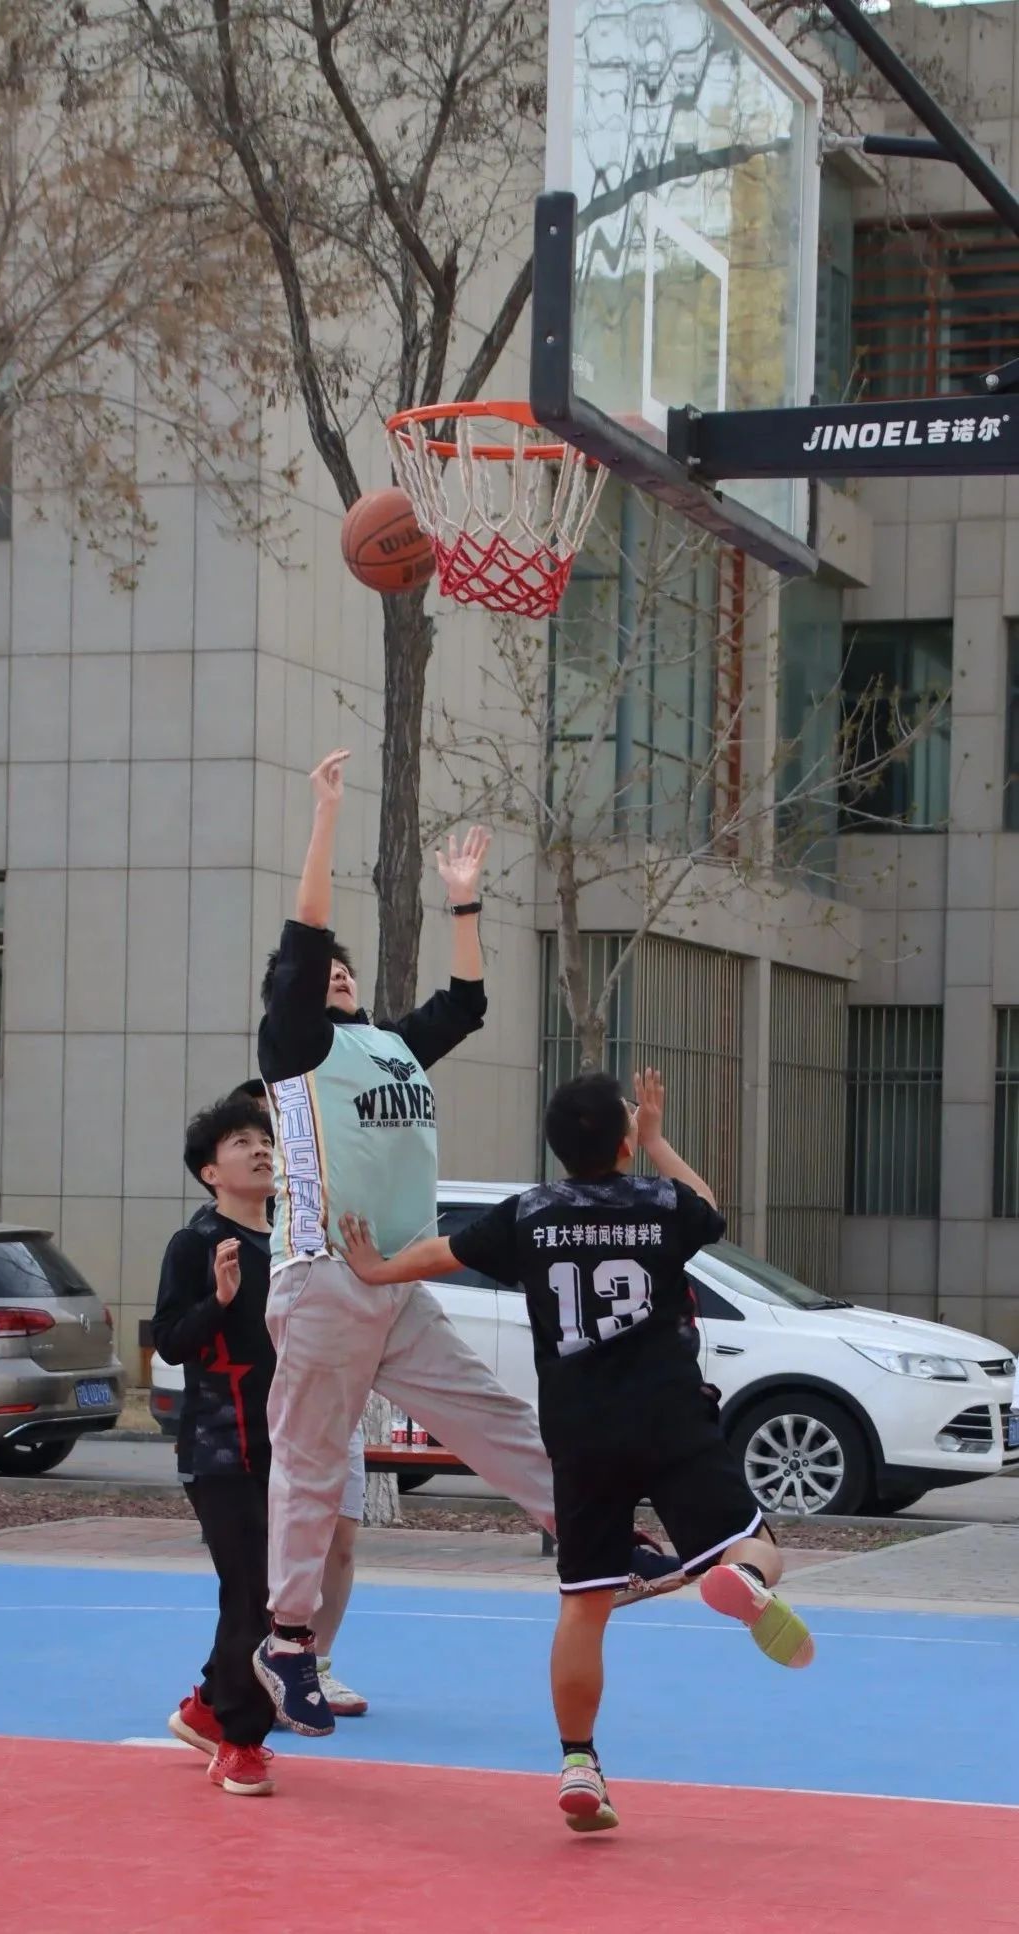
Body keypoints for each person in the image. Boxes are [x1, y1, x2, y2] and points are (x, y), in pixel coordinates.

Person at [340, 1068, 815, 1833]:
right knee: (753, 1543)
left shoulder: (529, 1214)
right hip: (668, 1412)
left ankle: (578, 1762)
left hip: (582, 1432)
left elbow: (441, 1255)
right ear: (625, 1142)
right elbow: (709, 1207)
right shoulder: (661, 1205)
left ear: (556, 1147)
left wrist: (376, 1269)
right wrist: (659, 1141)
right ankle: (743, 1578)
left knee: (585, 1604)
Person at [251, 746, 566, 1736]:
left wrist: (464, 901)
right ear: (299, 991)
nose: (339, 972)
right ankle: (287, 1641)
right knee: (311, 1467)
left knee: (490, 1411)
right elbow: (308, 929)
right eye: (326, 969)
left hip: (394, 1283)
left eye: (348, 968)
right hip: (322, 1279)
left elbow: (466, 1003)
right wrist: (326, 817)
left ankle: (587, 1530)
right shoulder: (297, 1047)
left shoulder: (390, 1044)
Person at [225, 1079, 367, 1719]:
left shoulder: (328, 1211)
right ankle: (249, 1673)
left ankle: (316, 1664)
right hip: (265, 1414)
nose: (267, 1145)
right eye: (252, 1135)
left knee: (340, 1540)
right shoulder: (223, 1238)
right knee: (269, 1550)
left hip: (335, 1395)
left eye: (272, 1133)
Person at [153, 1093, 280, 1796]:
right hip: (221, 1448)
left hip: (289, 1445)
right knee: (252, 1590)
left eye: (265, 1139)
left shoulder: (290, 1238)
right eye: (241, 1142)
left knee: (279, 1593)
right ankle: (240, 1740)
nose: (260, 1150)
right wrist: (221, 1299)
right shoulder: (196, 1244)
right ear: (210, 1172)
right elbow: (172, 1341)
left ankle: (207, 1704)